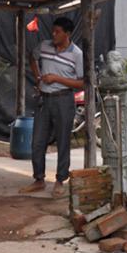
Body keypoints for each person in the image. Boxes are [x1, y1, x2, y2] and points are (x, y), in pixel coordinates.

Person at [20, 17, 83, 197]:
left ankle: (59, 181)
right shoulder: (44, 45)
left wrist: (57, 79)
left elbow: (82, 83)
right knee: (38, 141)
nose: (53, 35)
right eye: (53, 31)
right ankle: (39, 179)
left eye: (58, 32)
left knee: (63, 141)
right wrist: (38, 77)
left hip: (64, 99)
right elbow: (32, 57)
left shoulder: (77, 54)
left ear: (67, 34)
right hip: (44, 99)